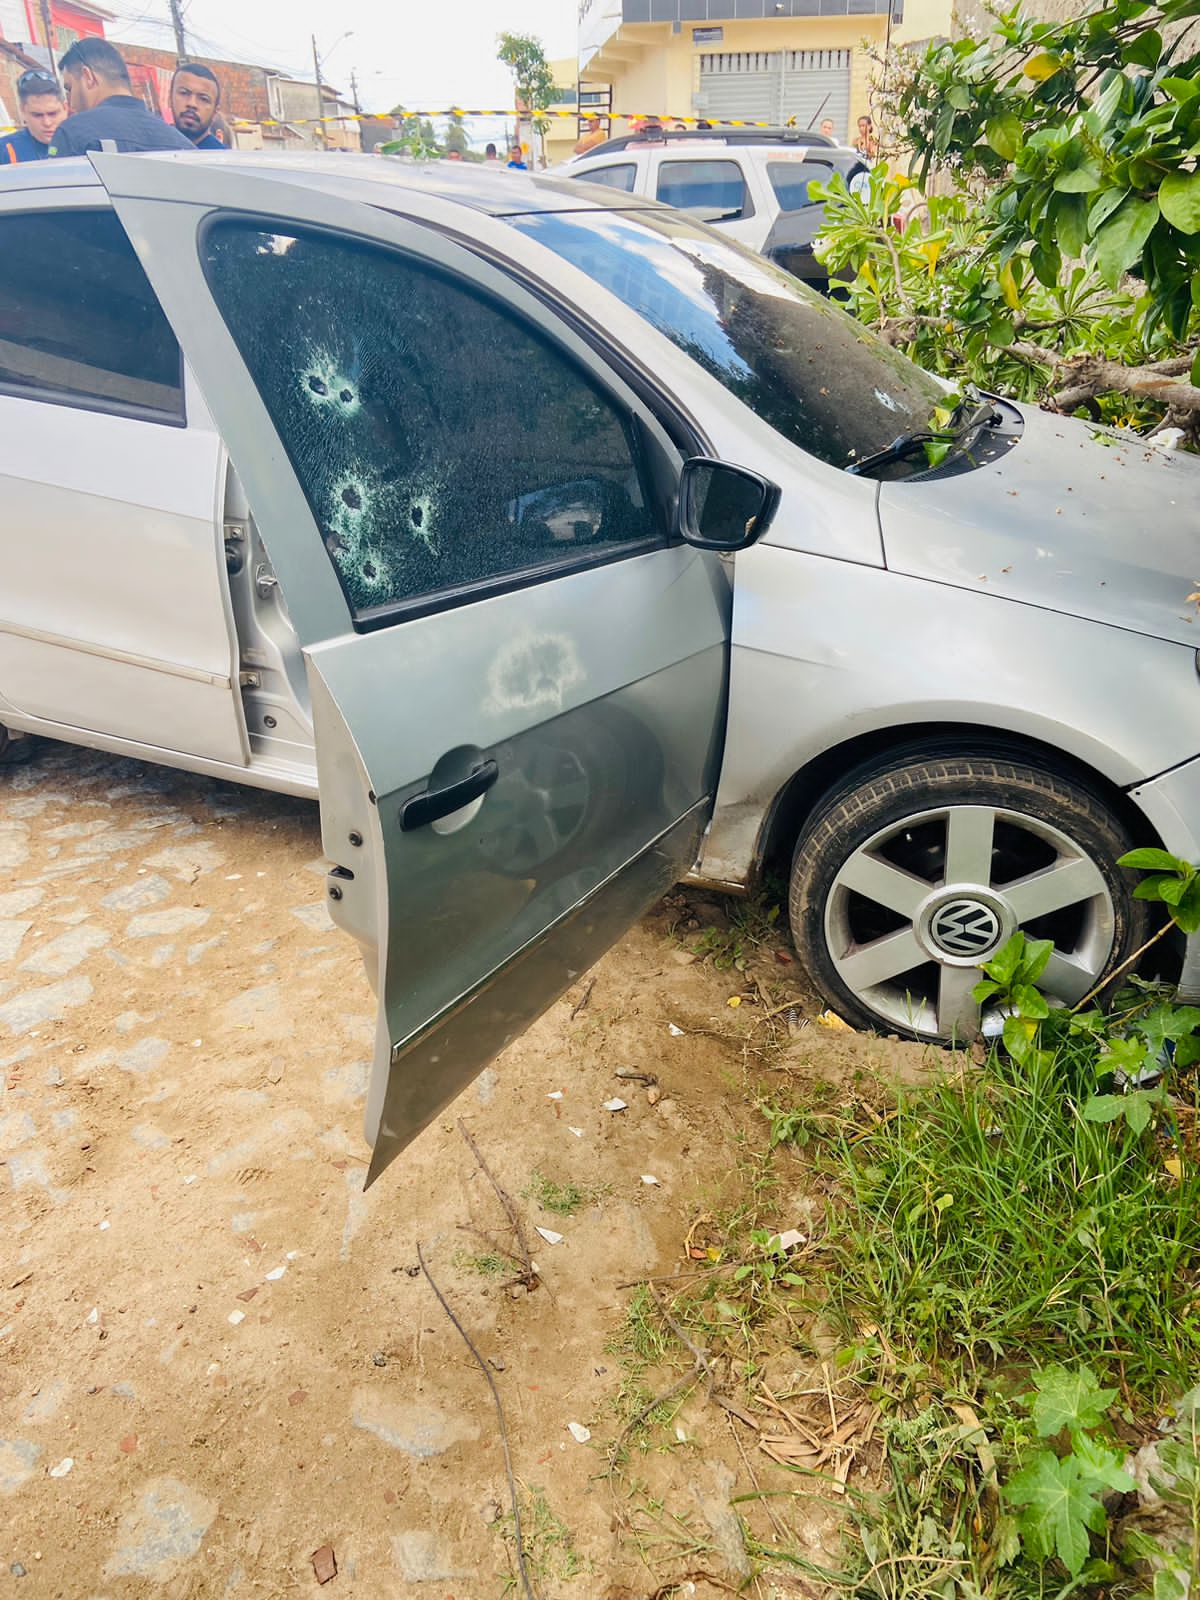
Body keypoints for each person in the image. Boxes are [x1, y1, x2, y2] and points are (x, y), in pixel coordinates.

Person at [49, 37, 193, 157]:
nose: (71, 102)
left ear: (88, 77)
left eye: (70, 88)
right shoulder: (184, 145)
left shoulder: (73, 133)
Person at [0, 68, 65, 163]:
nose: (47, 123)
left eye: (52, 113)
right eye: (37, 115)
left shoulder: (82, 144)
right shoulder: (5, 150)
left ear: (65, 108)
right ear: (23, 111)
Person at [170, 60, 224, 150]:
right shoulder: (153, 150)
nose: (192, 103)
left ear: (215, 112)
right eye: (184, 93)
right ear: (169, 98)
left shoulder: (222, 160)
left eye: (203, 99)